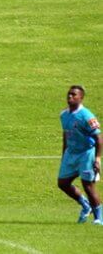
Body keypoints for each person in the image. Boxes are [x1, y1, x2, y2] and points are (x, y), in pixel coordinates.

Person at [57, 85, 102, 224]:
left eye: (74, 95)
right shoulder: (64, 115)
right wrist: (64, 154)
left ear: (81, 98)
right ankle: (85, 205)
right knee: (63, 183)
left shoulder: (87, 116)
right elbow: (66, 135)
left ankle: (99, 218)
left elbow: (99, 139)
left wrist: (98, 158)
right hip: (71, 153)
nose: (70, 97)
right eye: (69, 94)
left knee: (88, 185)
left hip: (86, 153)